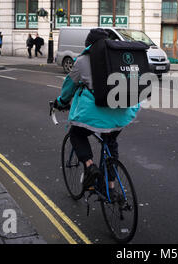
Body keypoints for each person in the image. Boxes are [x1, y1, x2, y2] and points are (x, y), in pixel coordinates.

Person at [53, 28, 140, 192]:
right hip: (122, 113)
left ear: (89, 44)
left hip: (97, 113)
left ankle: (90, 166)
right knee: (111, 143)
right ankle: (111, 187)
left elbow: (69, 87)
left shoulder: (83, 60)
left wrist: (61, 102)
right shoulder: (118, 57)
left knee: (76, 134)